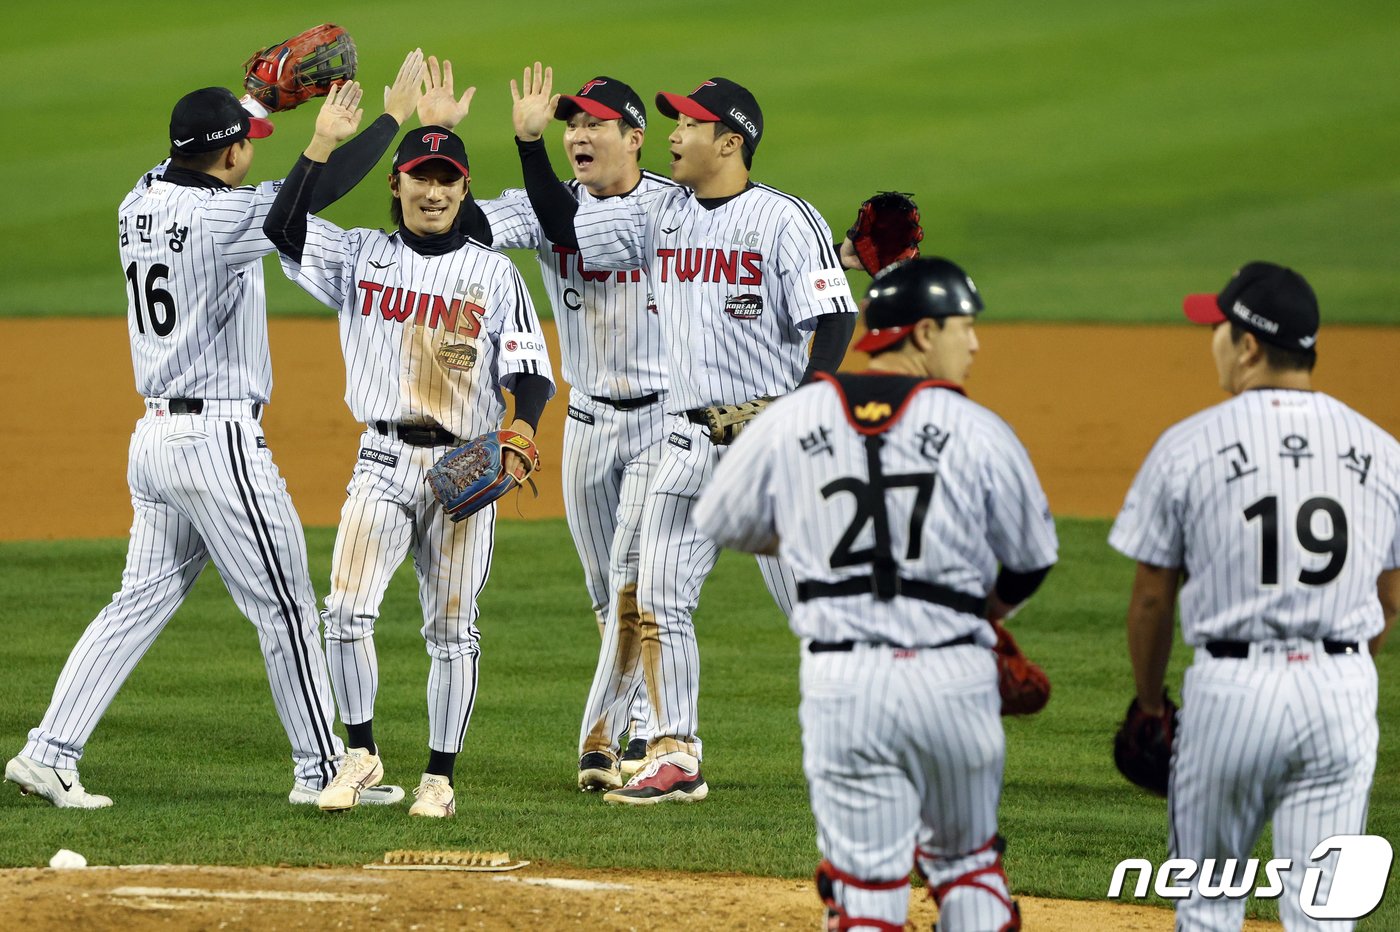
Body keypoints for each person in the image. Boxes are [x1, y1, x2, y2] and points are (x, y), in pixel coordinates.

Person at [3, 53, 429, 809]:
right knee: (289, 607)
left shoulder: (140, 196)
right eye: (246, 144)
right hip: (217, 447)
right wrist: (374, 123)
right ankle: (321, 772)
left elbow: (214, 153)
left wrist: (256, 101)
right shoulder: (226, 218)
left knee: (139, 598)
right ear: (233, 154)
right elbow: (308, 196)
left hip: (156, 443)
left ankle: (48, 752)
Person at [694, 258, 1057, 930]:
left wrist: (810, 533)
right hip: (955, 673)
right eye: (963, 326)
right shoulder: (977, 429)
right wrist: (987, 615)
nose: (974, 343)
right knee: (968, 863)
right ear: (922, 334)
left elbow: (721, 520)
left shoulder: (795, 416)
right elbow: (1033, 560)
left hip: (846, 679)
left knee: (863, 889)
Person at [555, 73, 860, 804]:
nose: (673, 135)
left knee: (818, 610)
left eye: (688, 125)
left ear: (730, 141)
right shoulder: (664, 217)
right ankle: (675, 752)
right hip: (683, 443)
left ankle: (877, 740)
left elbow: (835, 319)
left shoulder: (785, 219)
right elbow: (580, 231)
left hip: (771, 449)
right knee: (656, 598)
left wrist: (803, 404)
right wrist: (543, 148)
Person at [263, 80, 556, 819]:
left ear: (464, 190)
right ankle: (359, 753)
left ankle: (439, 777)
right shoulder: (361, 256)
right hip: (383, 459)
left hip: (464, 464)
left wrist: (520, 428)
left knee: (452, 629)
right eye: (421, 177)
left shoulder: (494, 273)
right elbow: (282, 224)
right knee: (346, 611)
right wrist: (321, 144)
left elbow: (529, 372)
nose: (434, 191)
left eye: (447, 180)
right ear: (396, 184)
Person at [1109, 261, 1400, 931]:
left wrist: (1151, 704)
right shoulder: (1381, 452)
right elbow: (1389, 599)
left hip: (1232, 694)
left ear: (1246, 345)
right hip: (1342, 692)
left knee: (1209, 905)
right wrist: (1343, 664)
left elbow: (1153, 598)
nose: (1211, 337)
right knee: (1324, 914)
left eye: (1218, 326)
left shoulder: (1189, 446)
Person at [412, 60, 666, 788]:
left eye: (595, 124)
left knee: (636, 581)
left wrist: (527, 153)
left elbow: (576, 235)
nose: (578, 136)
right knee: (602, 588)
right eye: (571, 126)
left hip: (662, 420)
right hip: (586, 421)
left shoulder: (665, 209)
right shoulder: (546, 200)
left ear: (636, 137)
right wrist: (440, 137)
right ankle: (635, 728)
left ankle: (637, 735)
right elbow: (458, 223)